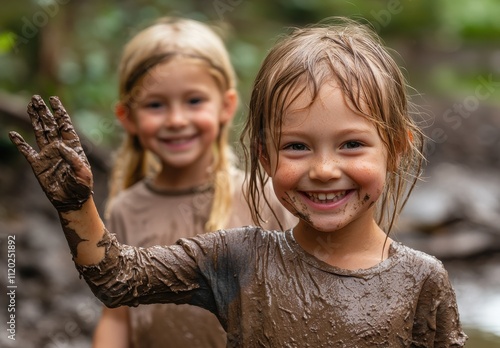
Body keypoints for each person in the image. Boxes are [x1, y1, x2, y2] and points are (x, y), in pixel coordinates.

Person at [9, 17, 467, 347]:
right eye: (297, 147)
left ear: (397, 147)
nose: (324, 169)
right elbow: (118, 280)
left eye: (351, 145)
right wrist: (75, 206)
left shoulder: (422, 282)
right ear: (265, 156)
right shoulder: (238, 258)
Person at [89, 16, 295, 348]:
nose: (176, 120)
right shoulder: (126, 210)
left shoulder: (265, 197)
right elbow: (117, 315)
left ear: (226, 106)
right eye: (156, 105)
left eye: (194, 101)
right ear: (127, 117)